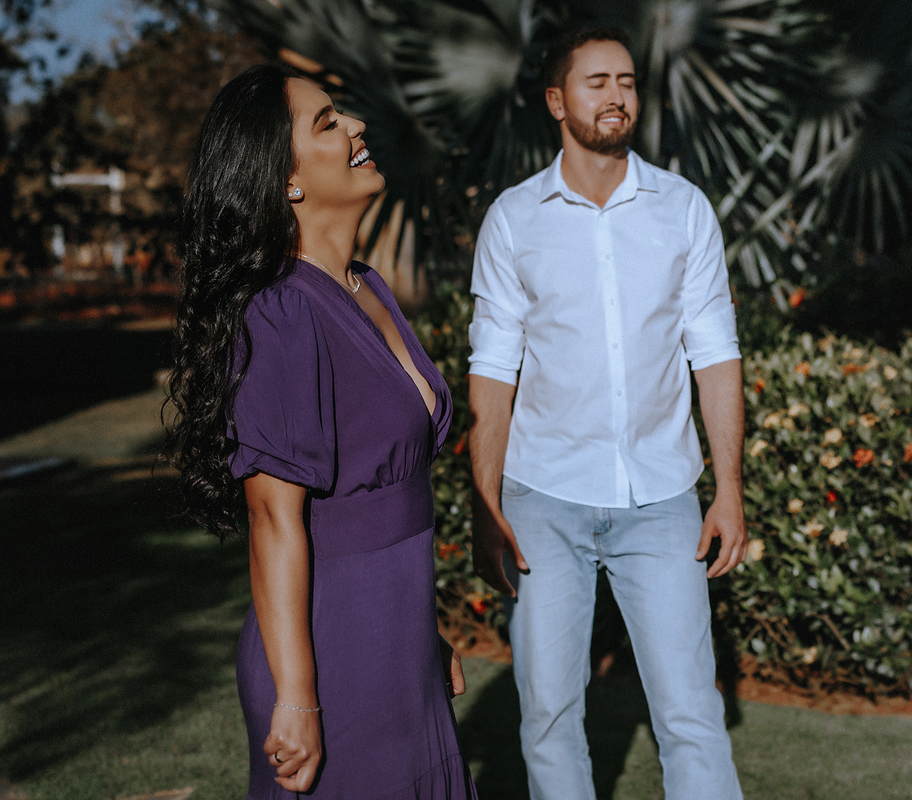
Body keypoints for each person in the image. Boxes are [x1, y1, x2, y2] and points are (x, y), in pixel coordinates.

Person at [165, 63, 478, 800]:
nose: (357, 126)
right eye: (328, 123)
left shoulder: (367, 287)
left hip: (400, 649)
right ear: (287, 182)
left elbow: (387, 501)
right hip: (332, 661)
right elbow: (273, 518)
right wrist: (298, 700)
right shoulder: (279, 311)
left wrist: (423, 631)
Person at [467, 26, 747, 800]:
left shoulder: (683, 209)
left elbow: (715, 355)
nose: (616, 95)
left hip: (661, 495)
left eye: (626, 80)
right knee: (548, 715)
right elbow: (492, 372)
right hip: (543, 497)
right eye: (596, 82)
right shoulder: (514, 219)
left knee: (692, 712)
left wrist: (728, 489)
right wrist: (485, 503)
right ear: (557, 101)